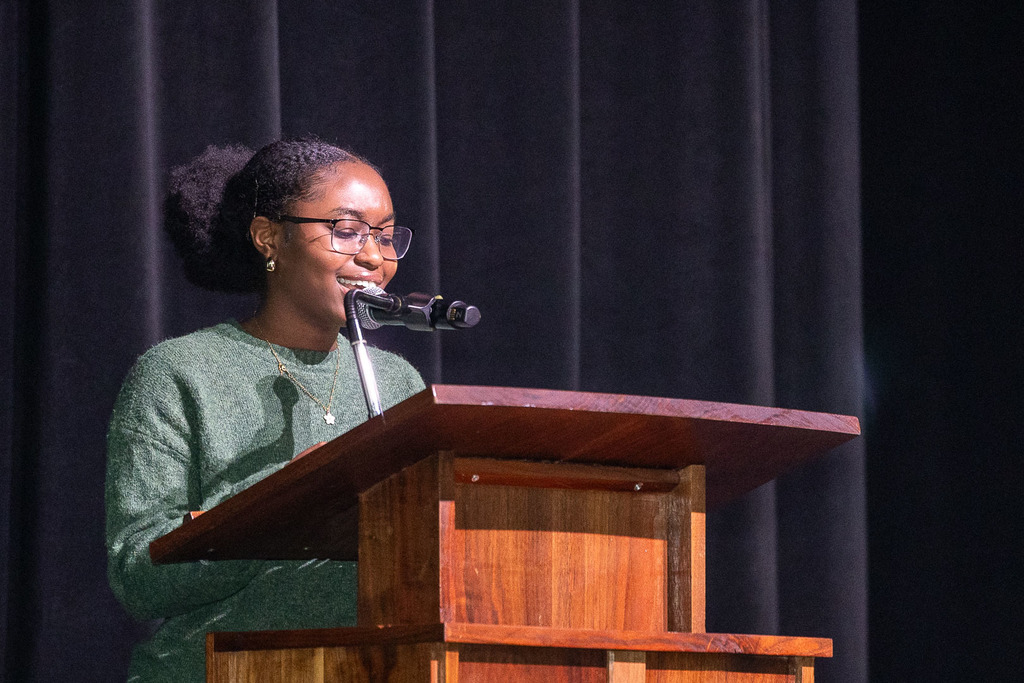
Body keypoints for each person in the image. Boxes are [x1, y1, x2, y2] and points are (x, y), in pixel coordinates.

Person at [105, 137, 425, 681]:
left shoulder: (396, 382)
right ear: (268, 237)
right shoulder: (180, 371)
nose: (374, 257)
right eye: (346, 231)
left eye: (387, 236)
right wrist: (286, 513)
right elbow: (138, 576)